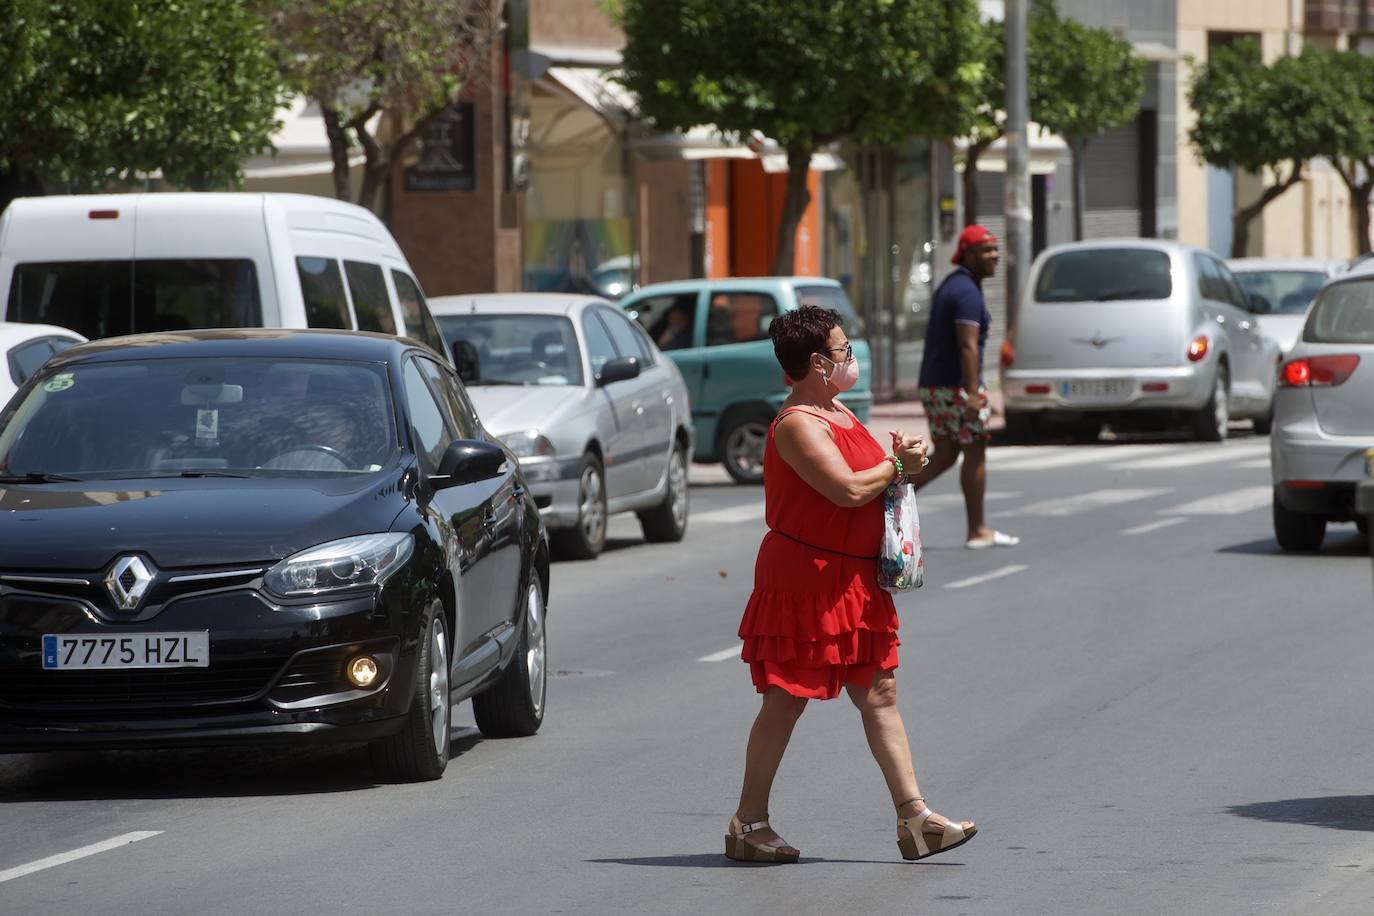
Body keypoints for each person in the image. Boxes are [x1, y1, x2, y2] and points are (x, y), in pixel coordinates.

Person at [726, 305, 977, 864]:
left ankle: (915, 820)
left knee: (880, 693)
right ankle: (748, 823)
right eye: (843, 351)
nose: (850, 359)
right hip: (806, 579)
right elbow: (845, 489)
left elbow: (876, 480)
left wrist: (905, 462)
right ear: (817, 362)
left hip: (856, 580)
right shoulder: (796, 423)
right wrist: (896, 464)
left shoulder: (836, 410)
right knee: (786, 700)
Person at [914, 224, 1020, 550]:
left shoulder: (959, 285)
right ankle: (978, 530)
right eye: (986, 250)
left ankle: (885, 500)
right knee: (974, 451)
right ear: (968, 254)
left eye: (995, 249)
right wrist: (974, 393)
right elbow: (968, 346)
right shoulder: (965, 292)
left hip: (937, 384)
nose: (994, 256)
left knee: (945, 454)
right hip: (955, 387)